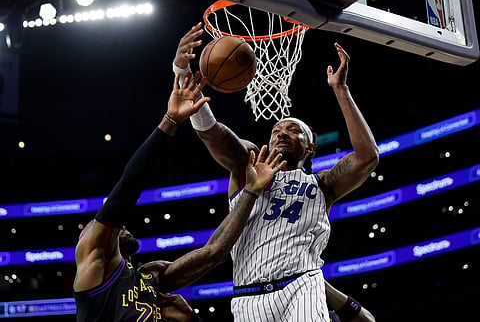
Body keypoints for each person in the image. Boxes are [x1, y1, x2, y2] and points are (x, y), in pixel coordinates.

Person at [173, 23, 379, 321]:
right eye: (276, 130)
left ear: (310, 147)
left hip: (301, 285)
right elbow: (212, 134)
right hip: (247, 296)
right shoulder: (248, 166)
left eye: (293, 130)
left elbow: (367, 156)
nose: (281, 133)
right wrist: (181, 71)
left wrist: (341, 89)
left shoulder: (322, 185)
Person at [73, 71, 286, 322]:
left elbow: (214, 253)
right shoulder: (95, 258)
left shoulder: (151, 277)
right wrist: (170, 121)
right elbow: (129, 186)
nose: (123, 227)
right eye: (105, 227)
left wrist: (251, 191)